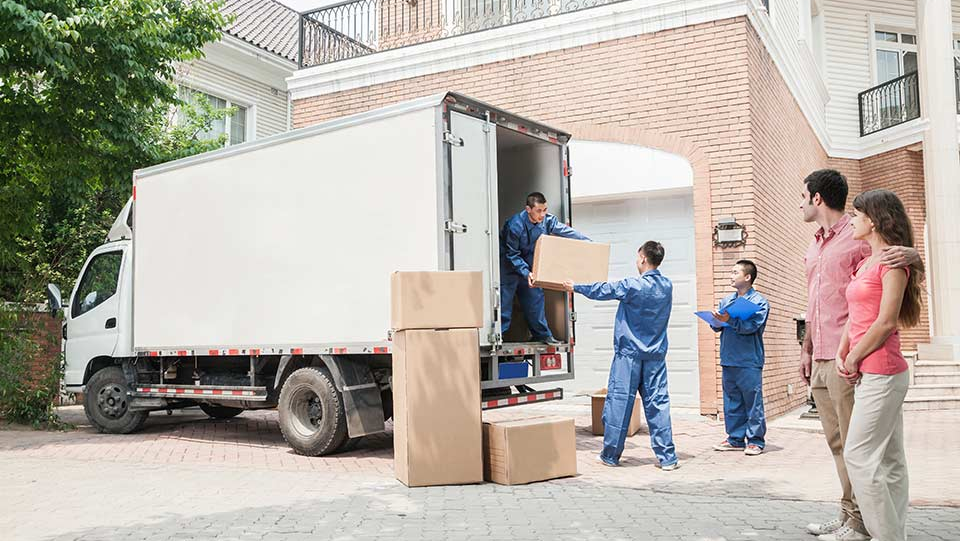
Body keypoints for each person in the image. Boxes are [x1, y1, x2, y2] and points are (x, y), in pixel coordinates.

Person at [798, 169, 919, 541]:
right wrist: (807, 346)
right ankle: (850, 513)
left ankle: (863, 524)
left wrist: (915, 254)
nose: (800, 203)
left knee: (858, 448)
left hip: (852, 357)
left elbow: (893, 262)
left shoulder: (858, 239)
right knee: (840, 444)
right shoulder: (815, 245)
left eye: (803, 196)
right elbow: (816, 300)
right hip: (822, 353)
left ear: (817, 198)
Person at [836, 190, 923, 541]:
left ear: (872, 220)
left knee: (858, 455)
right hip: (867, 370)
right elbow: (854, 316)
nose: (851, 220)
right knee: (889, 459)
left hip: (883, 371)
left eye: (855, 215)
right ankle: (894, 532)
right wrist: (845, 350)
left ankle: (886, 535)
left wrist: (855, 356)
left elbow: (886, 322)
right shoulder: (865, 263)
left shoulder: (893, 263)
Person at [562, 241, 678, 470]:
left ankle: (610, 455)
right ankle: (668, 458)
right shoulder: (667, 286)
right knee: (658, 404)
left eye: (638, 257)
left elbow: (604, 290)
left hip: (629, 356)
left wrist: (575, 287)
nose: (637, 261)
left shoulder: (633, 285)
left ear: (643, 258)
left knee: (620, 404)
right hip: (655, 356)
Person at [500, 191, 588, 345]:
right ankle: (499, 335)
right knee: (505, 300)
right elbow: (512, 253)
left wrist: (587, 241)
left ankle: (542, 335)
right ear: (528, 209)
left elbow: (566, 231)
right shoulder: (515, 225)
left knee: (535, 297)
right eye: (538, 211)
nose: (542, 214)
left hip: (529, 261)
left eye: (544, 210)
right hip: (509, 264)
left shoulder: (547, 221)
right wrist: (526, 272)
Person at [710, 260, 769, 456]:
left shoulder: (759, 303)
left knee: (752, 402)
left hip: (749, 360)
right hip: (729, 358)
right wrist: (716, 321)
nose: (731, 275)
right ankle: (735, 438)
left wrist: (730, 320)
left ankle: (755, 440)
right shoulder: (726, 301)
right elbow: (717, 327)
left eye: (735, 272)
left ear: (747, 277)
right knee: (732, 401)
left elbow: (751, 327)